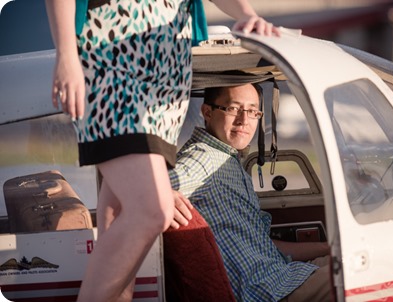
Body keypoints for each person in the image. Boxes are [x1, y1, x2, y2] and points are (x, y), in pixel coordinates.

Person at [45, 0, 279, 301]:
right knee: (153, 211)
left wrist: (248, 15)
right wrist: (66, 54)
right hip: (113, 61)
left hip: (166, 85)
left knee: (118, 214)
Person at [169, 83, 332, 301]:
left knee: (353, 260)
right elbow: (147, 192)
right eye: (234, 109)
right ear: (207, 112)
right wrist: (161, 192)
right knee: (360, 277)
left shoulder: (228, 160)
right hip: (268, 292)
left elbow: (264, 245)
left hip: (282, 276)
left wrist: (326, 247)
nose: (244, 121)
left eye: (253, 111)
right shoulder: (202, 157)